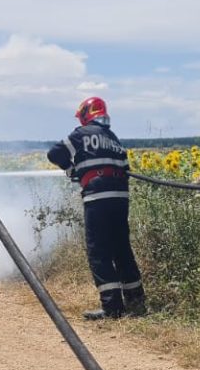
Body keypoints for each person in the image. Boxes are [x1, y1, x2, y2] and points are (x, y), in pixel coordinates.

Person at [47, 96, 146, 319]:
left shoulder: (81, 134)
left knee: (99, 251)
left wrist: (71, 169)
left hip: (97, 196)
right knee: (122, 249)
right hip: (120, 198)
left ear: (86, 114)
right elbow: (125, 168)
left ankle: (112, 308)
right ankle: (136, 300)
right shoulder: (113, 138)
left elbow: (54, 154)